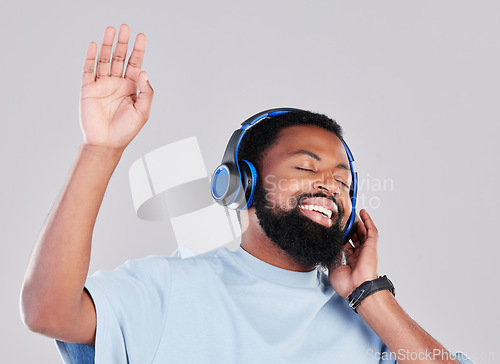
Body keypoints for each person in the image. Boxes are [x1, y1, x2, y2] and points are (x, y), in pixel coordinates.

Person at [20, 25, 473, 364]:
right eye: (305, 167)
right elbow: (48, 312)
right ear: (241, 183)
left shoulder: (372, 323)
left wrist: (371, 295)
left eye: (343, 181)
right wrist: (100, 149)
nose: (330, 187)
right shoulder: (167, 290)